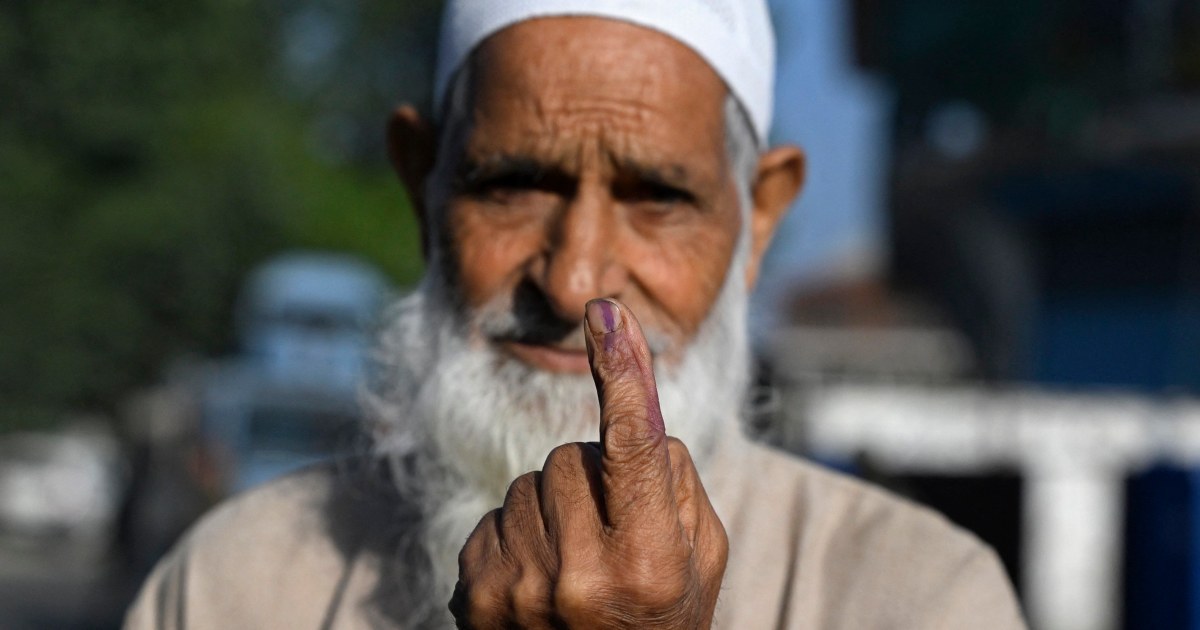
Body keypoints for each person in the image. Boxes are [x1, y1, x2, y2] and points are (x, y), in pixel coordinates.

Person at [124, 1, 1026, 628]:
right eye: (512, 184)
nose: (573, 281)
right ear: (421, 187)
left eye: (657, 198)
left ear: (757, 221)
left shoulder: (919, 599)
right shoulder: (230, 590)